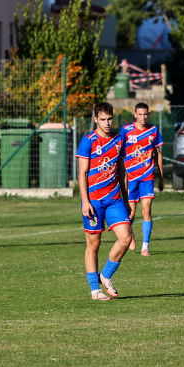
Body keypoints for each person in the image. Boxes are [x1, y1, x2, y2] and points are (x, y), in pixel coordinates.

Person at [77, 102, 132, 301]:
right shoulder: (88, 140)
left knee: (125, 238)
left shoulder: (119, 140)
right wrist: (85, 201)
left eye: (109, 119)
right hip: (94, 201)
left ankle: (106, 275)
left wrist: (126, 200)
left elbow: (121, 171)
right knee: (94, 244)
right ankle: (95, 290)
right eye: (102, 119)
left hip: (115, 199)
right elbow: (82, 173)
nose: (107, 123)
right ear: (95, 119)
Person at [120, 102, 165, 256]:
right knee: (130, 214)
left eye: (145, 114)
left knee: (147, 210)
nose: (143, 117)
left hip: (147, 177)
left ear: (148, 114)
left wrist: (162, 177)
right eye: (140, 114)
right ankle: (130, 234)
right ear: (135, 115)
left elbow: (158, 153)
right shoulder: (126, 130)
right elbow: (120, 152)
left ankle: (145, 247)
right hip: (131, 178)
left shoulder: (153, 131)